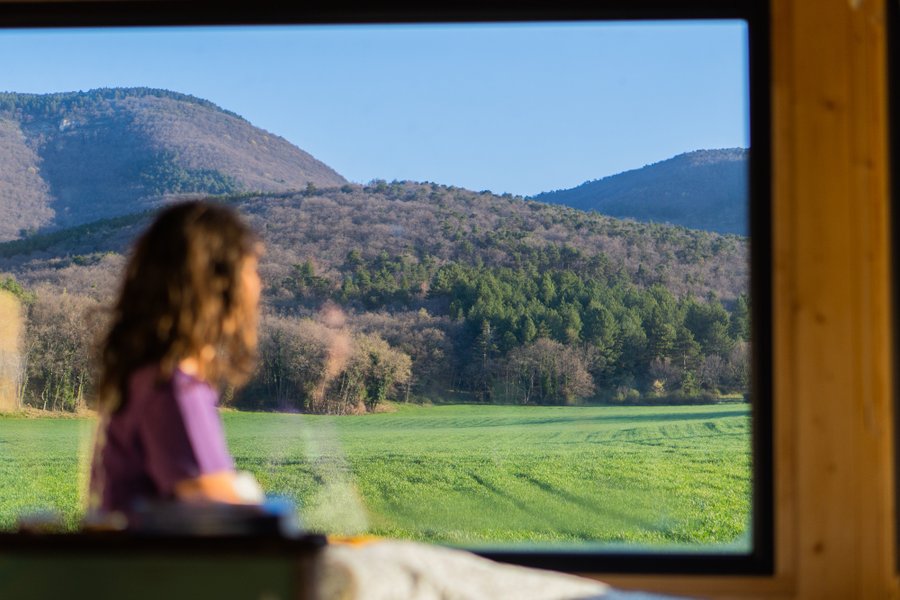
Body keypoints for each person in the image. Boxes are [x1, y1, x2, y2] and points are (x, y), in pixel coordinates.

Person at [89, 201, 265, 522]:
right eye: (251, 269)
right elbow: (213, 504)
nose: (258, 285)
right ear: (217, 286)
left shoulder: (147, 377)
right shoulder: (171, 386)